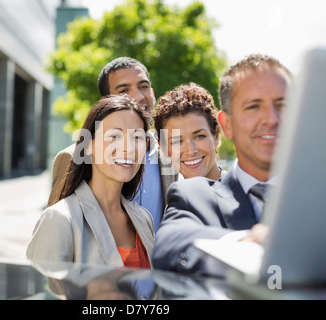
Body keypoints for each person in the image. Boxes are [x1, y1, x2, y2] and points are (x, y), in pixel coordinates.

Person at [152, 53, 293, 273]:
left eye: (282, 104)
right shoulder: (191, 196)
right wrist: (249, 243)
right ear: (227, 125)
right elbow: (169, 245)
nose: (271, 119)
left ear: (216, 135)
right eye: (254, 106)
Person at [47, 57, 178, 233]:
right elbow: (56, 230)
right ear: (107, 102)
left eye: (144, 86)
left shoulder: (170, 154)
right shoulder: (74, 157)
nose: (139, 96)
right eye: (124, 90)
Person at [27, 94, 154, 269]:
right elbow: (47, 294)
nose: (128, 147)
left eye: (137, 137)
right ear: (88, 145)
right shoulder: (60, 219)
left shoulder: (144, 218)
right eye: (114, 136)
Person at [153, 82, 226, 180]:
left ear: (216, 136)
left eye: (199, 136)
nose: (191, 151)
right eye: (177, 141)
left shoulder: (246, 193)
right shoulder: (172, 194)